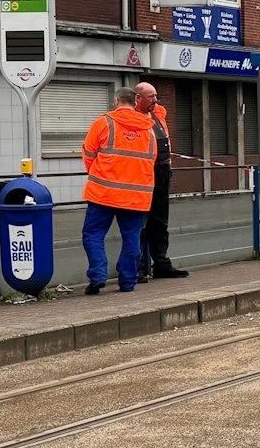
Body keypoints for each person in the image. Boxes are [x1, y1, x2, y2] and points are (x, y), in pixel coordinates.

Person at [81, 86, 158, 294]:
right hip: (136, 195)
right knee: (132, 238)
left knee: (93, 234)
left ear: (116, 102)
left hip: (103, 192)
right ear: (135, 103)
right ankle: (128, 282)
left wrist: (99, 172)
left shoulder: (104, 123)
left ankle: (98, 275)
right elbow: (151, 160)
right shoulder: (149, 130)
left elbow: (88, 153)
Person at [132, 83, 189, 281]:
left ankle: (161, 263)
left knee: (160, 220)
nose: (155, 100)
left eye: (156, 96)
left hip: (162, 172)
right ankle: (138, 267)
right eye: (151, 97)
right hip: (142, 175)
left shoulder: (158, 115)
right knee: (139, 222)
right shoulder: (131, 118)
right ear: (138, 98)